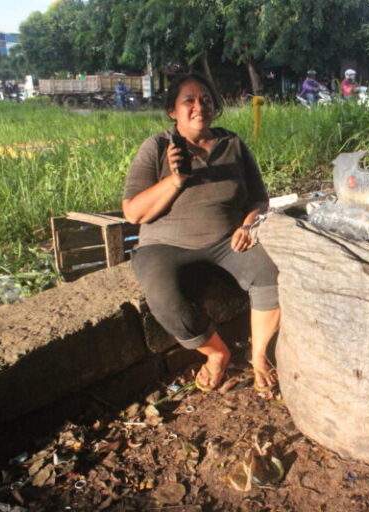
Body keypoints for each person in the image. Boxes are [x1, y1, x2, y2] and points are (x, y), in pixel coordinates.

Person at [122, 72, 281, 393]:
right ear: (172, 111)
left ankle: (260, 356)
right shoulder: (156, 147)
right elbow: (133, 212)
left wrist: (248, 224)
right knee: (164, 299)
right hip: (163, 245)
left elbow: (259, 198)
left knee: (271, 273)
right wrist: (176, 179)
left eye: (206, 100)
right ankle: (217, 353)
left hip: (227, 241)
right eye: (189, 101)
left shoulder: (232, 143)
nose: (200, 107)